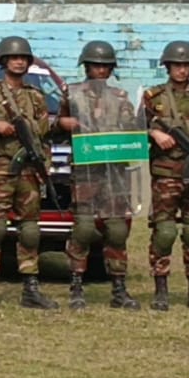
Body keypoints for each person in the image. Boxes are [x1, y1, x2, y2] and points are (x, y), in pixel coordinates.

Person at [0, 35, 58, 311]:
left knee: (30, 230)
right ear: (4, 61)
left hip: (29, 170)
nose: (19, 62)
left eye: (23, 58)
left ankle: (30, 288)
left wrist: (45, 164)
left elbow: (44, 136)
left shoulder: (36, 96)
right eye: (14, 58)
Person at [55, 40, 141, 311]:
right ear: (86, 67)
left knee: (116, 230)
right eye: (95, 65)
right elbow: (55, 129)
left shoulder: (120, 97)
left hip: (114, 172)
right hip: (85, 172)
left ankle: (118, 287)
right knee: (83, 229)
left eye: (105, 66)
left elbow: (132, 131)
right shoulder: (72, 94)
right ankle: (76, 286)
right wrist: (62, 123)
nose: (101, 70)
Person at [141, 40, 189, 311]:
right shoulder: (153, 97)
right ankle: (161, 290)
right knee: (164, 232)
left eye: (186, 65)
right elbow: (135, 128)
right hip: (166, 174)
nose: (182, 70)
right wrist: (154, 133)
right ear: (168, 67)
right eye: (176, 65)